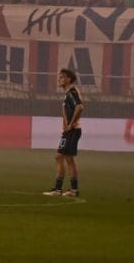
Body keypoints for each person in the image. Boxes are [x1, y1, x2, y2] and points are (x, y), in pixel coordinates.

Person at [44, 68, 83, 197]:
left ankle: (59, 190)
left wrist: (70, 124)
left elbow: (79, 107)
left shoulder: (71, 92)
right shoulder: (69, 93)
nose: (59, 79)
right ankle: (72, 190)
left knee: (61, 157)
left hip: (72, 130)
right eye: (59, 77)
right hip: (71, 131)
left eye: (62, 77)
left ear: (69, 79)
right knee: (67, 158)